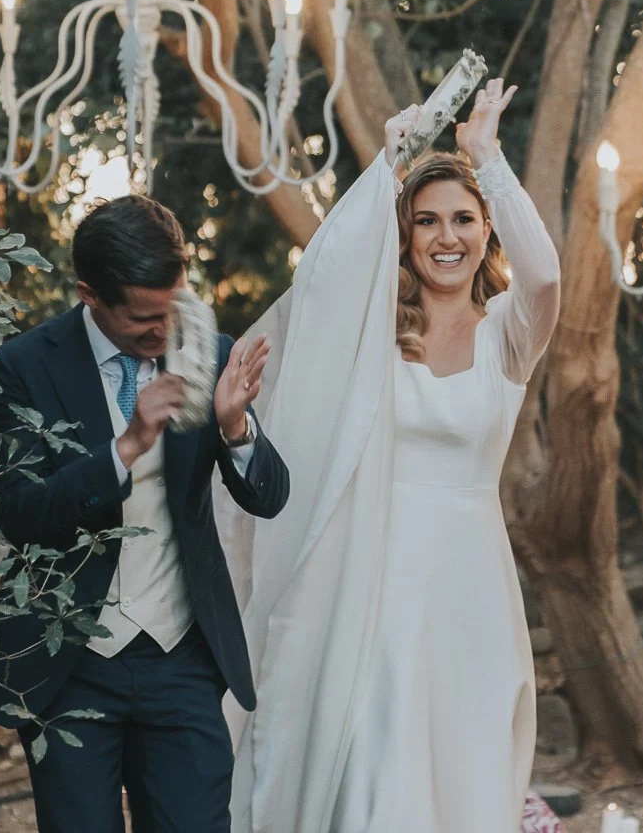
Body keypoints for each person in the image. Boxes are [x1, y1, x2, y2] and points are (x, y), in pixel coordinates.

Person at [219, 78, 561, 833]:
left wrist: (485, 157)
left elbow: (546, 275)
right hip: (372, 576)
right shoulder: (371, 337)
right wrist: (387, 169)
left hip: (469, 584)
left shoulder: (508, 334)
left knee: (465, 757)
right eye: (428, 221)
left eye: (465, 220)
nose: (447, 237)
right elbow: (320, 282)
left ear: (487, 230)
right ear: (404, 237)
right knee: (376, 747)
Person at [0, 194, 292, 833]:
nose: (164, 331)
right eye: (146, 319)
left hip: (182, 658)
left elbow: (269, 496)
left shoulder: (205, 350)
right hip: (70, 662)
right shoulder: (24, 366)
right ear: (90, 295)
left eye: (173, 308)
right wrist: (127, 446)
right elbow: (19, 514)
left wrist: (235, 428)